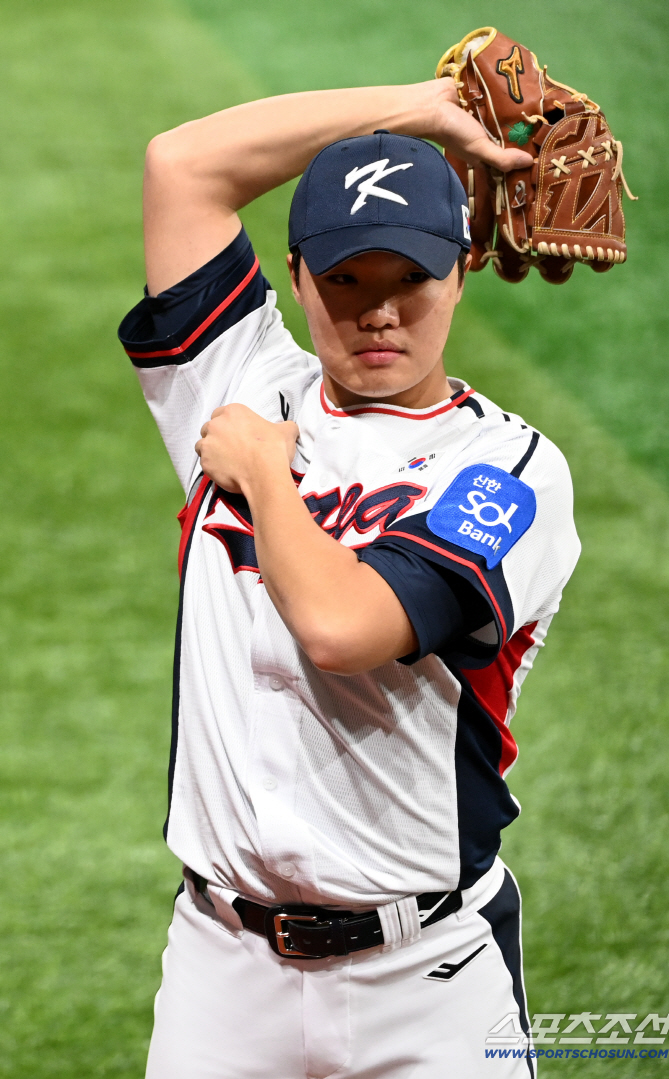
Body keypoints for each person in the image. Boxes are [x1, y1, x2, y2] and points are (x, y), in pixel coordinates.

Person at [118, 77, 580, 1079]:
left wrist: (256, 477)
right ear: (293, 273)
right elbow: (182, 166)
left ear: (459, 273)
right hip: (219, 973)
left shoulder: (507, 471)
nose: (378, 313)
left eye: (406, 277)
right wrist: (423, 106)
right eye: (345, 279)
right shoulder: (240, 377)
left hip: (425, 986)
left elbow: (342, 625)